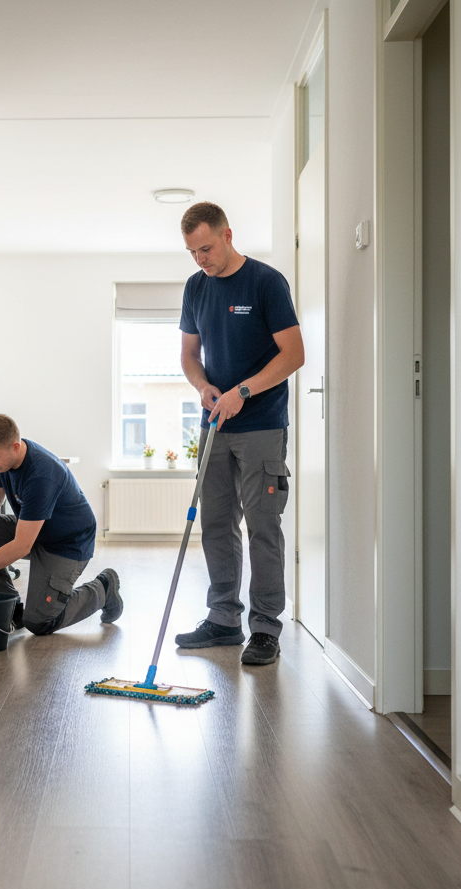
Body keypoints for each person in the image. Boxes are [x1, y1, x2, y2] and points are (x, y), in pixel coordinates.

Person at [175, 202, 305, 665]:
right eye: (192, 252)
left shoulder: (266, 282)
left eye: (206, 248)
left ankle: (266, 628)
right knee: (216, 525)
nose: (201, 260)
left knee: (263, 527)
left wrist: (243, 392)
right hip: (215, 424)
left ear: (228, 235)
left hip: (261, 425)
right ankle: (224, 619)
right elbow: (189, 356)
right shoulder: (196, 287)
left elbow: (293, 355)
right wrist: (205, 386)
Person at [0, 414, 123, 635]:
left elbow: (21, 546)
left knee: (40, 622)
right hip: (34, 531)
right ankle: (9, 609)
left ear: (15, 447)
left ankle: (103, 588)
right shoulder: (5, 460)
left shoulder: (42, 475)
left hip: (67, 544)